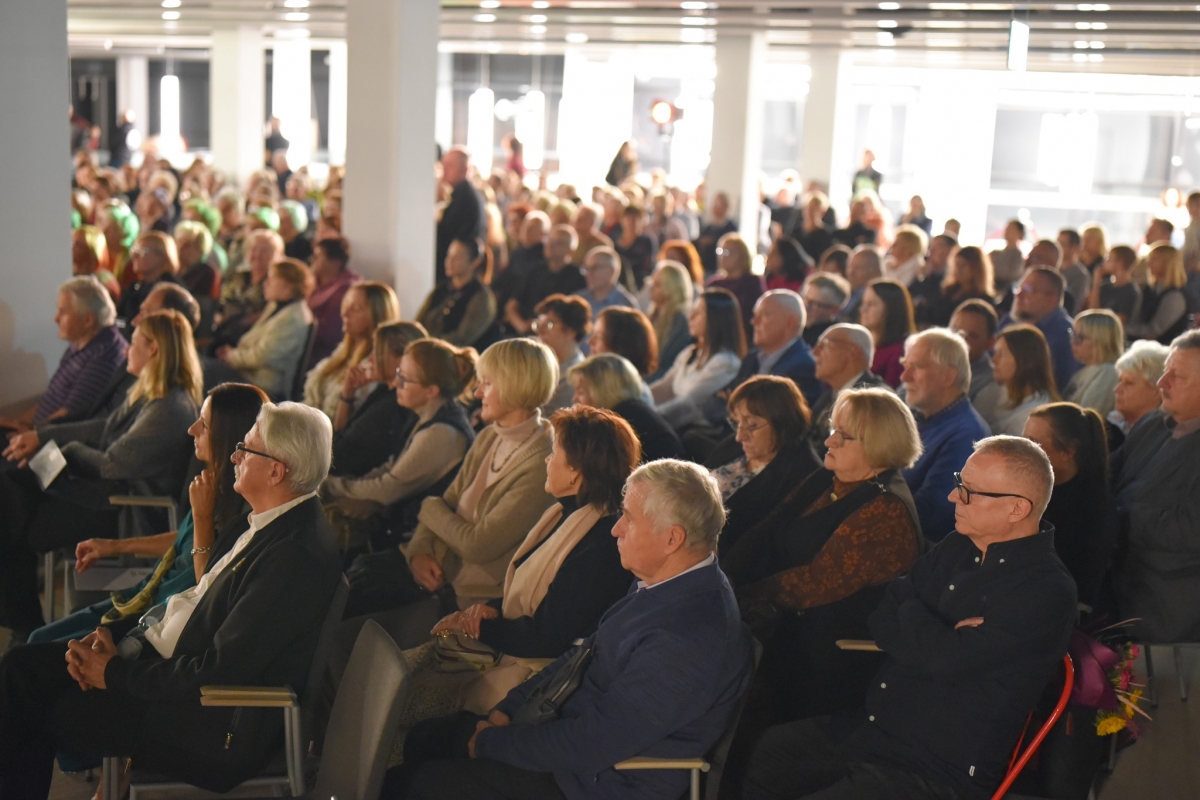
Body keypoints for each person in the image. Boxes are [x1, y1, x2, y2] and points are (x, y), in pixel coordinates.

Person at [0, 400, 342, 798]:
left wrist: (113, 674)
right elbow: (195, 599)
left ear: (275, 471)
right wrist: (116, 637)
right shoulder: (265, 520)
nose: (234, 456)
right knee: (19, 667)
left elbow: (218, 668)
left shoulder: (293, 557)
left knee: (42, 709)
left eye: (245, 449)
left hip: (208, 724)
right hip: (160, 669)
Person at [387, 459, 754, 800]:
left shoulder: (689, 638)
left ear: (672, 539)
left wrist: (492, 743)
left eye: (628, 519)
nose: (615, 529)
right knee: (426, 739)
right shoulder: (665, 582)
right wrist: (508, 709)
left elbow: (596, 741)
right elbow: (583, 654)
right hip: (566, 741)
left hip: (591, 783)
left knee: (407, 785)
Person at [743, 435, 1075, 800]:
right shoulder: (958, 545)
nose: (953, 497)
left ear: (1017, 509)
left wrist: (914, 614)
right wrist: (937, 630)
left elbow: (943, 659)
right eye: (959, 483)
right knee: (752, 759)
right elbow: (885, 614)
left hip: (935, 769)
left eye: (969, 492)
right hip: (873, 730)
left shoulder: (1045, 590)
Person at [382, 407, 640, 756]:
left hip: (533, 675)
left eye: (554, 453)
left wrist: (479, 626)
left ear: (576, 471)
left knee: (403, 704)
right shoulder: (563, 513)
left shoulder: (600, 544)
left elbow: (548, 637)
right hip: (511, 647)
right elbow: (528, 595)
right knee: (397, 675)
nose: (546, 460)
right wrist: (487, 610)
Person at [722, 388, 923, 794]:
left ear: (878, 444)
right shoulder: (828, 478)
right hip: (783, 629)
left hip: (826, 656)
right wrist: (722, 577)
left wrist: (735, 598)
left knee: (734, 716)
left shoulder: (886, 510)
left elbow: (814, 583)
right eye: (833, 429)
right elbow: (765, 531)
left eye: (843, 436)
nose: (829, 440)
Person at [341, 338, 559, 645]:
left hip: (467, 600)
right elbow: (445, 502)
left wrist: (430, 509)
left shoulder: (540, 461)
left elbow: (477, 545)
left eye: (487, 383)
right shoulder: (489, 437)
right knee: (348, 590)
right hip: (436, 569)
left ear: (515, 387)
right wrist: (418, 552)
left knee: (349, 626)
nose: (478, 392)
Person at [0, 310, 203, 638]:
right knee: (10, 501)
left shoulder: (170, 408)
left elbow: (112, 464)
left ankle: (25, 629)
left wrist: (66, 450)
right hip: (104, 496)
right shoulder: (151, 393)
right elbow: (103, 428)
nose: (126, 350)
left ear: (153, 349)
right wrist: (44, 436)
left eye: (134, 343)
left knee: (12, 524)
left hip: (125, 509)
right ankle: (24, 628)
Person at [28, 383, 266, 644]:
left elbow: (207, 589)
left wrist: (202, 516)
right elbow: (185, 540)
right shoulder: (213, 483)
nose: (192, 429)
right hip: (147, 594)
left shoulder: (243, 504)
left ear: (228, 435)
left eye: (205, 425)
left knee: (34, 649)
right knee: (37, 637)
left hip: (160, 618)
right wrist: (114, 546)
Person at [323, 338, 477, 553]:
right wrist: (344, 485)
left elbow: (389, 489)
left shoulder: (442, 434)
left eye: (404, 379)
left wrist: (333, 485)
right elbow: (391, 467)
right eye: (398, 374)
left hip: (411, 541)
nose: (395, 383)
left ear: (431, 391)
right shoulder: (428, 413)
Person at [1113, 330, 1200, 644]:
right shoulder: (1153, 424)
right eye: (1165, 371)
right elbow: (1110, 476)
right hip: (1120, 595)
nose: (1162, 382)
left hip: (1172, 617)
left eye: (1177, 376)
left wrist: (1120, 516)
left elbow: (1190, 528)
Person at [710, 376, 822, 555]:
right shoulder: (740, 444)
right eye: (737, 422)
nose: (739, 436)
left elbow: (758, 545)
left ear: (783, 423)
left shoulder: (803, 475)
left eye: (752, 425)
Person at [0, 278, 127, 434]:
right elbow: (48, 401)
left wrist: (26, 432)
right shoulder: (81, 343)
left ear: (88, 320)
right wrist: (15, 423)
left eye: (63, 312)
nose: (56, 318)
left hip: (49, 441)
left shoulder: (104, 356)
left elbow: (69, 417)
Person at [1023, 403, 1116, 612]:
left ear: (1068, 451)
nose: (1022, 451)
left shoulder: (1095, 509)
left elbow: (1082, 588)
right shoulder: (1028, 488)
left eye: (1033, 443)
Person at [900, 328, 990, 541]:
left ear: (949, 376)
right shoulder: (917, 416)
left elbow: (931, 515)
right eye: (905, 366)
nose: (905, 377)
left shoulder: (967, 436)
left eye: (917, 367)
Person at [329, 322, 428, 480]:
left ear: (403, 358)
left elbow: (339, 459)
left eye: (378, 352)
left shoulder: (393, 407)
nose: (370, 358)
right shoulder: (384, 390)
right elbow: (342, 435)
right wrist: (348, 393)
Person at [216, 259, 314, 399]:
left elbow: (262, 357)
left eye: (271, 279)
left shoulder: (293, 318)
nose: (265, 283)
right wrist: (231, 354)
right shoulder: (277, 306)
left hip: (261, 386)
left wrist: (231, 357)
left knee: (203, 371)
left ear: (288, 288)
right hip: (248, 374)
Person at [303, 281, 400, 419]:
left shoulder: (376, 365)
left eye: (355, 308)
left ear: (377, 315)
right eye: (345, 306)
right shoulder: (342, 351)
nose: (344, 313)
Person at [651, 288, 745, 430]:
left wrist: (651, 416)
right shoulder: (689, 352)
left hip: (694, 431)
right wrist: (636, 397)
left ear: (716, 319)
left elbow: (689, 403)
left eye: (699, 312)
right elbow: (664, 387)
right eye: (692, 310)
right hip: (672, 424)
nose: (691, 317)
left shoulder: (726, 362)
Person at [568, 354, 684, 462]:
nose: (574, 399)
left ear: (603, 392)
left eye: (581, 392)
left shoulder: (619, 423)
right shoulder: (633, 410)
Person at [807, 323, 887, 456]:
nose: (814, 352)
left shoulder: (874, 401)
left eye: (824, 344)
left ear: (853, 352)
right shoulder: (829, 396)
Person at [1000, 267, 1082, 394]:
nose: (1018, 295)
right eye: (1018, 288)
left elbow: (1055, 386)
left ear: (1052, 299)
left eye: (1028, 290)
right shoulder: (1010, 321)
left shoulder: (1065, 336)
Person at [418, 237, 498, 349]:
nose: (449, 261)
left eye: (457, 257)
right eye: (449, 256)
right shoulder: (440, 289)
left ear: (475, 262)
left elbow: (463, 338)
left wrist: (429, 344)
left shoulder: (481, 296)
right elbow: (419, 322)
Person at [213, 228, 283, 349]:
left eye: (265, 250)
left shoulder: (277, 285)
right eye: (253, 249)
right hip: (220, 331)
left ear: (277, 255)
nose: (257, 255)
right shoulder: (237, 276)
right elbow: (221, 300)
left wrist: (237, 319)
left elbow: (267, 316)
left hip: (249, 341)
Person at [986, 324, 1059, 435]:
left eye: (1002, 354)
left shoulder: (1031, 418)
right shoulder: (994, 393)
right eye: (995, 353)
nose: (993, 361)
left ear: (1024, 360)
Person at [532, 294, 591, 413]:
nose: (540, 331)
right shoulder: (534, 364)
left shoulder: (578, 378)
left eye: (549, 324)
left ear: (571, 331)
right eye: (538, 324)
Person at [116, 231, 183, 334]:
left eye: (142, 251)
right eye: (134, 250)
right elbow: (120, 316)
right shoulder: (137, 286)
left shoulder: (170, 290)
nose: (134, 256)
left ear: (162, 256)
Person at [436, 146, 486, 284]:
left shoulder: (465, 198)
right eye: (444, 165)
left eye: (450, 165)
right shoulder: (462, 195)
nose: (444, 169)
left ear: (465, 170)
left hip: (458, 270)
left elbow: (448, 235)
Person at [307, 236, 361, 362]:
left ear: (336, 262)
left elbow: (330, 332)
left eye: (318, 256)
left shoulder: (345, 290)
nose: (312, 259)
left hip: (323, 356)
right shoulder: (313, 283)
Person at [1125, 243, 1191, 345]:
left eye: (1154, 259)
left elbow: (1154, 331)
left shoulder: (1175, 296)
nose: (1148, 263)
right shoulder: (1149, 290)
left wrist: (1123, 329)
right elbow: (1136, 320)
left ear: (1168, 263)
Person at [950, 298, 1003, 424]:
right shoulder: (929, 360)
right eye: (955, 331)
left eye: (972, 336)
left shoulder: (988, 384)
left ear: (990, 343)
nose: (960, 340)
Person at [920, 245, 995, 330]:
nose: (958, 269)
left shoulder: (983, 299)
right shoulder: (948, 291)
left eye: (963, 265)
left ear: (976, 268)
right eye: (956, 265)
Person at [1065, 309, 1124, 417]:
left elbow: (1086, 417)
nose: (1072, 342)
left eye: (1079, 338)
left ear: (1101, 340)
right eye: (1072, 335)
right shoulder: (1087, 370)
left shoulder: (1107, 373)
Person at [859, 278, 916, 389]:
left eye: (871, 304)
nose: (862, 309)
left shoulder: (898, 352)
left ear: (891, 308)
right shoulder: (862, 346)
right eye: (863, 303)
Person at [707, 233, 765, 338]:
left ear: (742, 256)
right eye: (721, 251)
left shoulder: (751, 282)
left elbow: (747, 313)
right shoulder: (714, 283)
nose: (723, 256)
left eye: (728, 252)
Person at [646, 260, 694, 382]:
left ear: (672, 288)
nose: (651, 287)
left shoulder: (679, 322)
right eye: (652, 282)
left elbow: (665, 362)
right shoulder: (652, 316)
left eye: (657, 284)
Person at [587, 306, 658, 388]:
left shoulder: (632, 393)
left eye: (599, 336)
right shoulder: (599, 385)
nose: (590, 342)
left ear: (621, 345)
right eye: (593, 334)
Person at [1112, 339, 1168, 434]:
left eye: (1129, 383)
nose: (1117, 390)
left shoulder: (1162, 435)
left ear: (1157, 391)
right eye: (1120, 380)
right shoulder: (1108, 427)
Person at [1085, 244, 1141, 325]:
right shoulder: (1105, 286)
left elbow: (1119, 321)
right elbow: (1092, 311)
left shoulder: (1131, 292)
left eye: (1109, 259)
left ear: (1120, 263)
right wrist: (1096, 282)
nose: (1105, 262)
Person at [908, 233, 956, 327]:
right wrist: (922, 278)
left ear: (950, 251)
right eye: (931, 247)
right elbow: (909, 296)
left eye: (938, 247)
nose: (931, 251)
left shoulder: (952, 280)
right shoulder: (925, 272)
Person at [574, 245, 637, 314]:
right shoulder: (578, 300)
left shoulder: (626, 306)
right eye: (587, 269)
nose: (588, 274)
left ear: (612, 271)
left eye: (594, 268)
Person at [72, 224, 121, 302]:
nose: (72, 248)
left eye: (78, 245)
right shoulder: (71, 274)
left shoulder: (102, 282)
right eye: (72, 243)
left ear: (92, 250)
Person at [615, 204, 658, 290]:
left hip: (640, 285)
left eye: (635, 219)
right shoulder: (614, 241)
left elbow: (648, 267)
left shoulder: (647, 242)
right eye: (628, 219)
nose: (631, 223)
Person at [695, 191, 738, 276]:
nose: (714, 206)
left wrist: (712, 241)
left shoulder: (731, 227)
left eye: (718, 203)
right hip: (705, 267)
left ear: (726, 206)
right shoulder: (709, 227)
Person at [801, 272, 850, 347]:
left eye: (814, 303)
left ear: (835, 310)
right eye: (805, 299)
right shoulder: (793, 326)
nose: (805, 306)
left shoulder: (835, 341)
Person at [837, 245, 883, 324]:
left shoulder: (880, 298)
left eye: (858, 268)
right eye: (849, 267)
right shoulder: (842, 292)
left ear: (876, 272)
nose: (851, 273)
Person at [791, 191, 835, 268]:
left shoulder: (826, 235)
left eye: (814, 208)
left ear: (822, 211)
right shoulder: (796, 232)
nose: (809, 211)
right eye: (807, 208)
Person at [1057, 228, 1092, 315]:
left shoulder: (1080, 276)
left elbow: (1073, 306)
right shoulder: (1051, 268)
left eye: (1062, 244)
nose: (1058, 248)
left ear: (1075, 247)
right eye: (1057, 244)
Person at [989, 218, 1026, 296]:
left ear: (1020, 233)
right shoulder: (995, 253)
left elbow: (1012, 276)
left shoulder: (1017, 256)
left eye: (1011, 229)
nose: (1007, 231)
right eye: (1007, 228)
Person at [278, 199, 313, 263]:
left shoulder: (305, 245)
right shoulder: (276, 241)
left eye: (286, 220)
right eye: (279, 219)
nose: (281, 223)